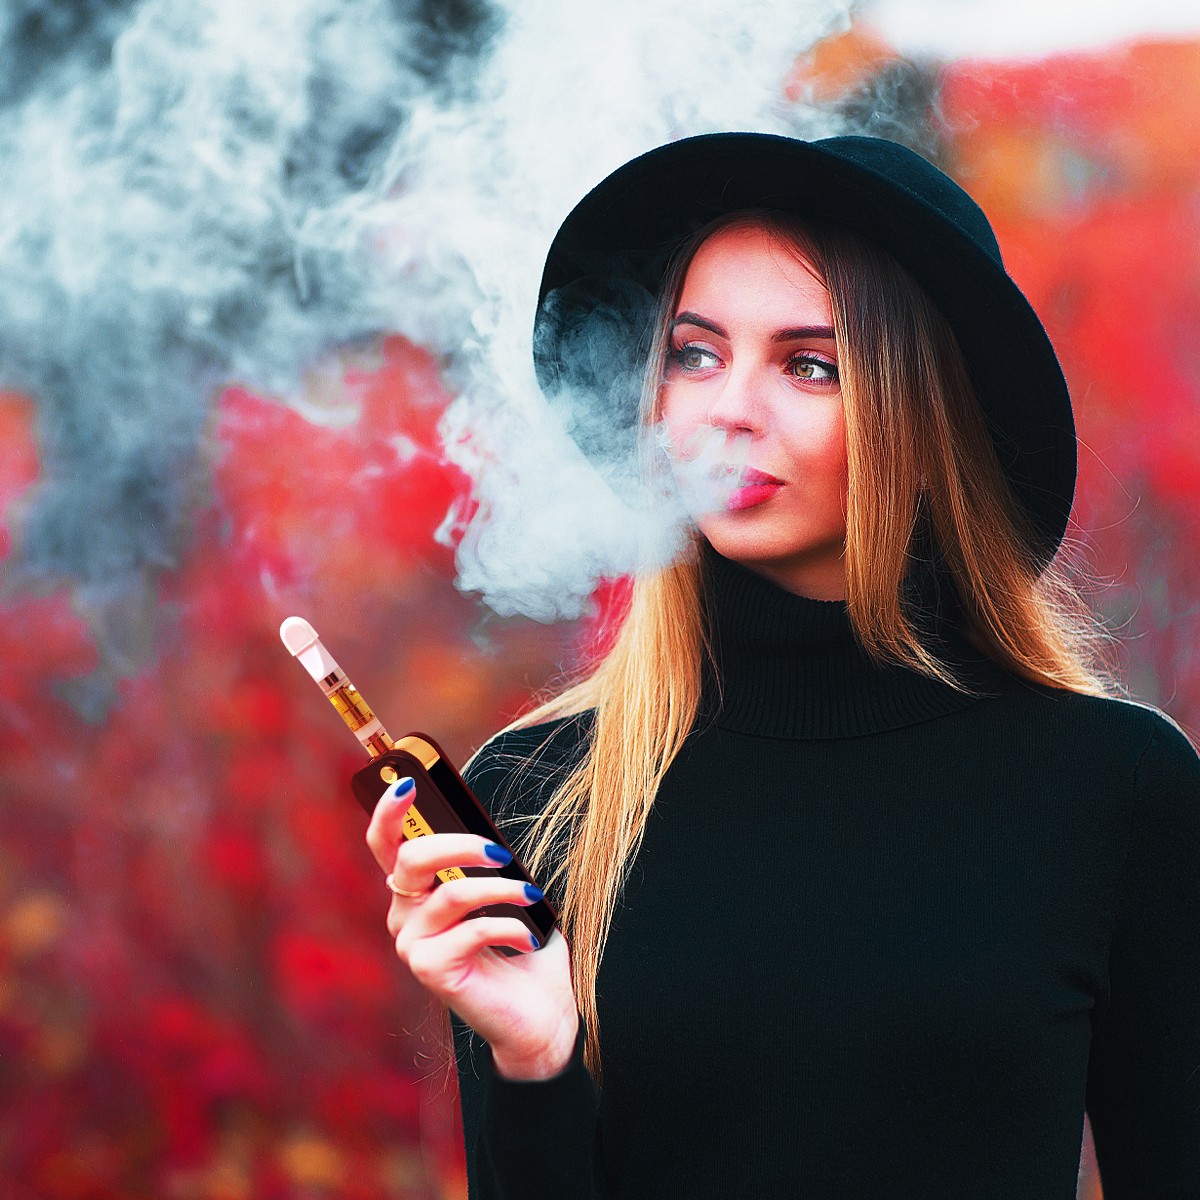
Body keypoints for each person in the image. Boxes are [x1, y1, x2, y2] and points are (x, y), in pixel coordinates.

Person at [364, 133, 1200, 1198]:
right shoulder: (542, 795)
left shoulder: (1115, 791)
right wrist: (534, 1065)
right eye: (695, 353)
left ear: (921, 414)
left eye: (810, 364)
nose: (727, 411)